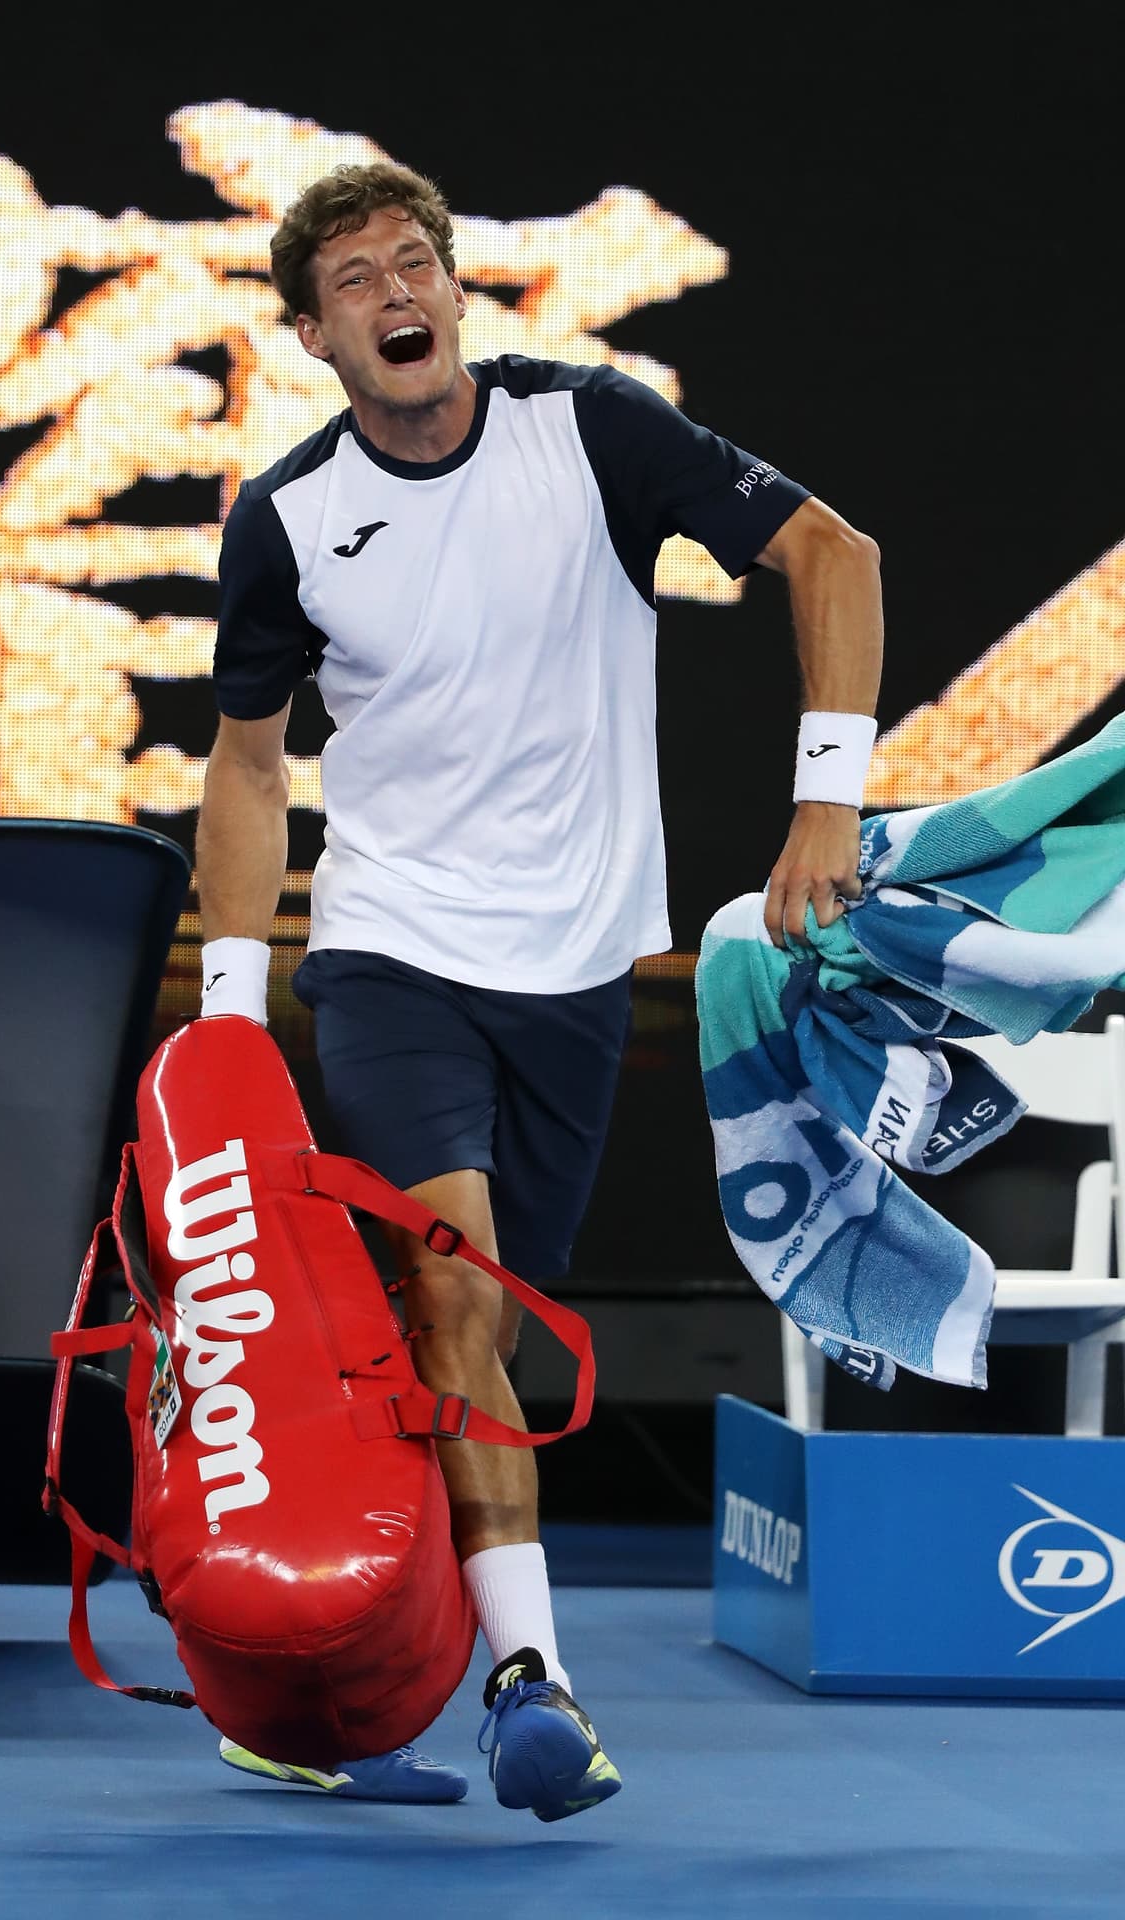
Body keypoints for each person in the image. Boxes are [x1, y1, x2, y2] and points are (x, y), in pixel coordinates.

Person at [195, 161, 883, 1819]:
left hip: (574, 958)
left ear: (451, 294)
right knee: (453, 1297)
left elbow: (830, 551)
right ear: (315, 337)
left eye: (413, 260)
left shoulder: (592, 431)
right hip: (390, 948)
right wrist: (230, 1000)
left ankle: (350, 1662)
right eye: (354, 277)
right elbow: (245, 762)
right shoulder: (285, 520)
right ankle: (531, 1683)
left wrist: (830, 796)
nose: (394, 288)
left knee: (478, 1340)